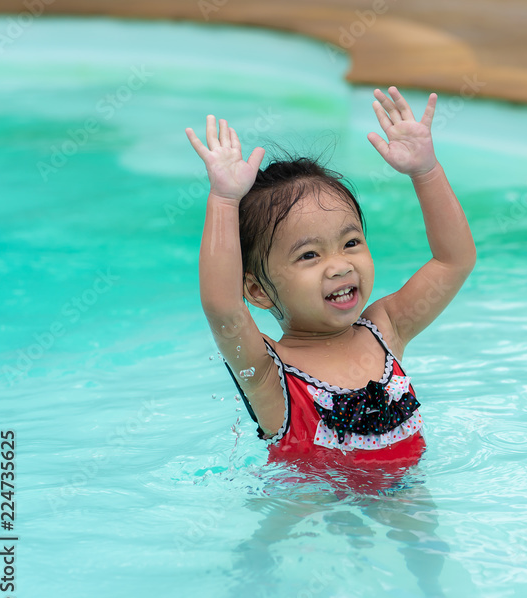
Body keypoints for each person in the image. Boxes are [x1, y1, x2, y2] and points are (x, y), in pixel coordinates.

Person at [185, 86, 475, 492]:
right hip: (310, 530)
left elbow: (453, 260)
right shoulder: (271, 376)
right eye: (309, 256)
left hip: (406, 505)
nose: (339, 265)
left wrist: (425, 171)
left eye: (351, 243)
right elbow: (222, 309)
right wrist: (222, 199)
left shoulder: (386, 329)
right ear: (258, 290)